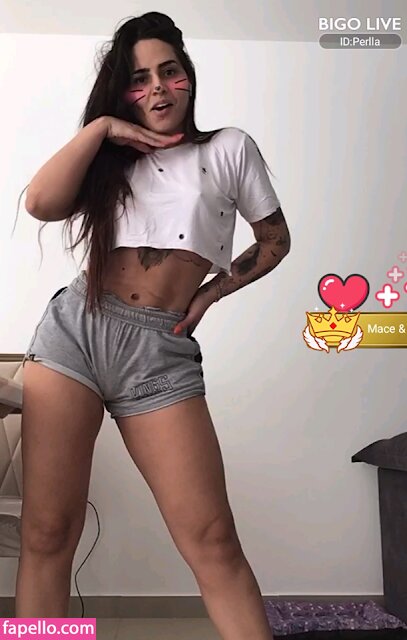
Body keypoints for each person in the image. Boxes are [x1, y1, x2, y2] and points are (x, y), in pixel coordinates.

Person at [14, 11, 290, 639]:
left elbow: (275, 239)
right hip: (74, 337)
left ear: (188, 76)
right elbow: (40, 203)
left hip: (159, 350)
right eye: (138, 80)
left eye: (170, 72)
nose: (158, 88)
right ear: (123, 92)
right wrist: (101, 129)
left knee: (212, 538)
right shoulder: (110, 156)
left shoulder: (228, 148)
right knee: (47, 531)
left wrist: (211, 294)